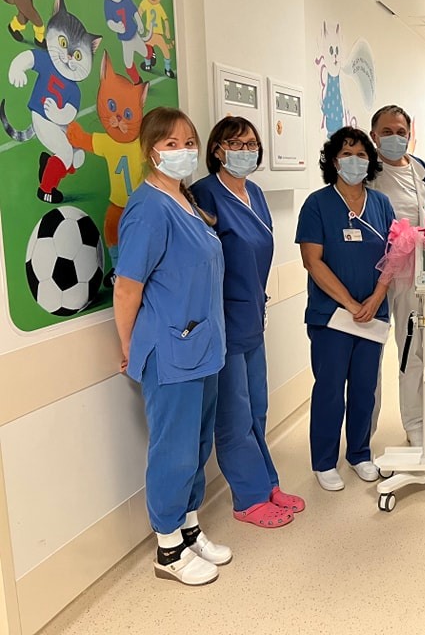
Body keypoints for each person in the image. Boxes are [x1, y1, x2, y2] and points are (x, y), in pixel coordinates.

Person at [113, 106, 231, 586]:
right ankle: (167, 548)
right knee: (174, 451)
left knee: (198, 446)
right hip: (170, 352)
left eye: (189, 143)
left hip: (202, 346)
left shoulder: (186, 200)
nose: (183, 151)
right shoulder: (148, 209)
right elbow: (127, 288)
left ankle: (189, 527)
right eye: (171, 143)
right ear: (150, 151)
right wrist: (130, 347)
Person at [191, 116, 304, 528]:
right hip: (222, 319)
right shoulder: (204, 195)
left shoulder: (253, 192)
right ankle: (248, 498)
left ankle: (267, 482)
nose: (245, 151)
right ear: (217, 149)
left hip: (252, 313)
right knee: (234, 414)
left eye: (251, 144)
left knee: (257, 406)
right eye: (235, 144)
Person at [296, 126, 395, 491]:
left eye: (361, 154)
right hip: (332, 316)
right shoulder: (317, 205)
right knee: (330, 388)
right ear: (334, 161)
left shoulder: (381, 204)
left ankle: (359, 453)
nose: (355, 160)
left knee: (365, 387)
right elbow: (312, 261)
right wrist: (351, 303)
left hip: (372, 314)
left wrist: (377, 297)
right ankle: (324, 461)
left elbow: (394, 255)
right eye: (346, 153)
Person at [367, 104, 425, 446]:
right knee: (370, 353)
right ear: (374, 136)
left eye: (401, 132)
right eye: (387, 132)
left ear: (410, 135)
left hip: (415, 274)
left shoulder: (422, 172)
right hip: (375, 274)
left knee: (414, 350)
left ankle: (415, 424)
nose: (395, 138)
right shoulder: (367, 172)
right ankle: (364, 431)